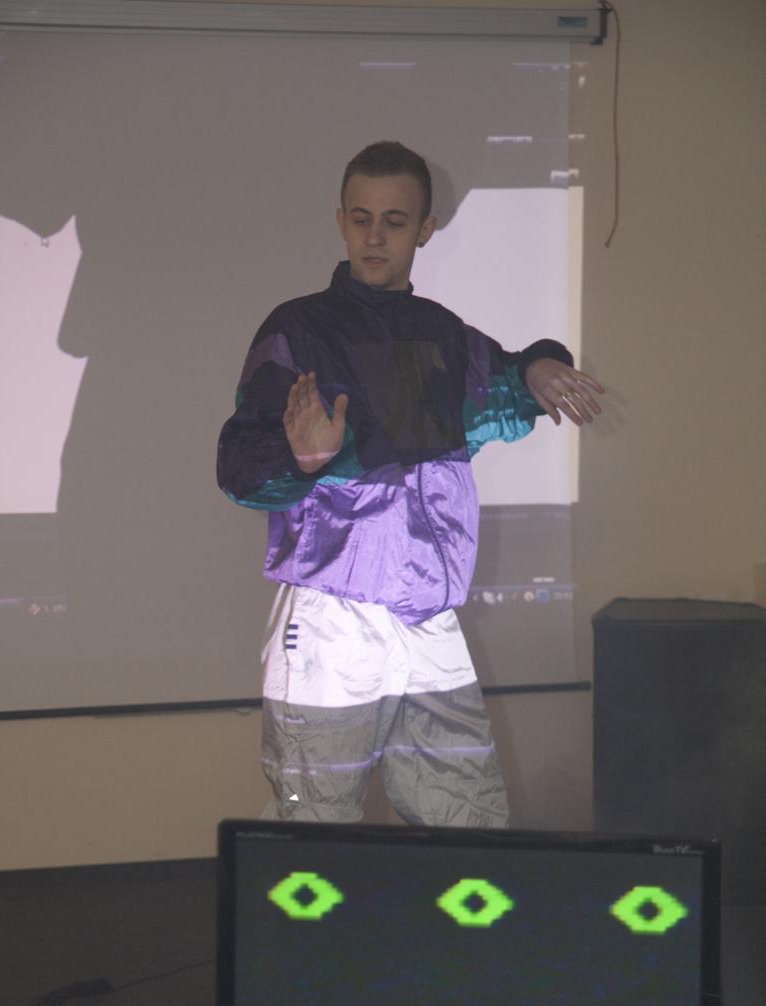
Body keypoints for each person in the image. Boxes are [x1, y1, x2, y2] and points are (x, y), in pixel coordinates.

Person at [217, 141, 603, 827]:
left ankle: (459, 909)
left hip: (430, 623)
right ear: (340, 221)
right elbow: (240, 469)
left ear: (425, 229)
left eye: (394, 221)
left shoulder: (443, 336)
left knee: (469, 822)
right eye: (361, 218)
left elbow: (512, 379)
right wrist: (300, 458)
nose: (375, 236)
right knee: (314, 830)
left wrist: (542, 364)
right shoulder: (297, 330)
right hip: (332, 621)